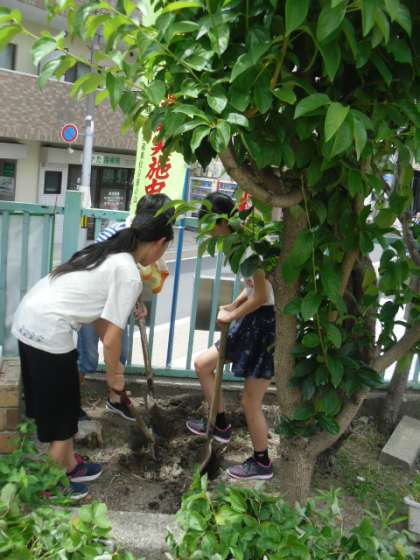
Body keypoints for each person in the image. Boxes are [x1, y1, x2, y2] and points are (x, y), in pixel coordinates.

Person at [12, 212, 173, 500]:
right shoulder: (128, 273)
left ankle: (70, 465)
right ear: (159, 243)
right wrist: (115, 377)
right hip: (48, 330)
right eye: (166, 249)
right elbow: (112, 338)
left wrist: (115, 370)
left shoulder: (108, 253)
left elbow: (102, 319)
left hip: (30, 320)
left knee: (67, 406)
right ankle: (48, 486)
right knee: (63, 419)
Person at [186, 192, 276, 480]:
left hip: (264, 325)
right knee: (203, 364)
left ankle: (262, 462)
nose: (207, 231)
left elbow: (261, 296)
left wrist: (233, 315)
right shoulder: (240, 243)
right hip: (251, 319)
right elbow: (253, 288)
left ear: (223, 221)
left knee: (250, 401)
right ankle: (220, 424)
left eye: (210, 224)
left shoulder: (251, 246)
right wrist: (234, 305)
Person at [77, 193, 172, 422]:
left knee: (120, 352)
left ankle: (115, 400)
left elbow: (134, 273)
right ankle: (71, 403)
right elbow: (111, 272)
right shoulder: (121, 234)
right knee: (87, 357)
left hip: (114, 301)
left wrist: (136, 301)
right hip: (93, 302)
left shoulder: (145, 239)